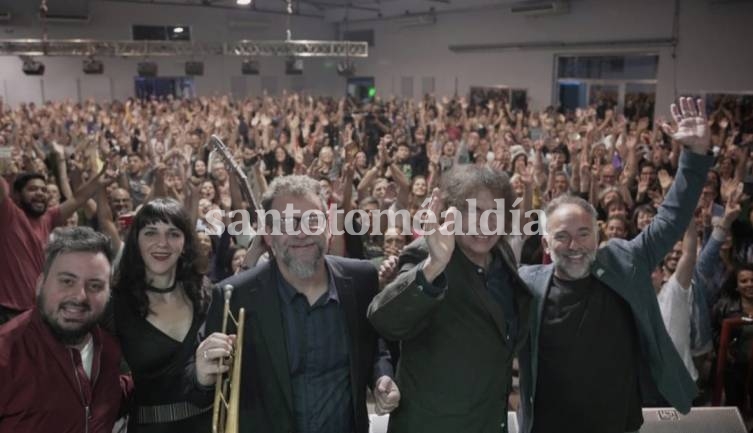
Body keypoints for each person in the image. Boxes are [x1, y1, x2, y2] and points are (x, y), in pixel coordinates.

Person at [517, 97, 713, 433]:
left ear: (599, 234)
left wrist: (694, 158)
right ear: (545, 244)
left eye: (583, 234)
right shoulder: (526, 282)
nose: (574, 246)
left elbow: (670, 219)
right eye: (562, 237)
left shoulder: (624, 261)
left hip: (616, 423)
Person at [186, 175, 399, 433]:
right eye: (287, 222)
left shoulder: (361, 279)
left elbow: (374, 348)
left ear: (328, 227)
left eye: (312, 220)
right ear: (267, 233)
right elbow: (199, 391)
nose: (301, 232)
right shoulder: (234, 295)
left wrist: (381, 376)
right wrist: (202, 376)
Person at [367, 165, 532, 433]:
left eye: (496, 213)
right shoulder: (427, 252)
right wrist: (433, 266)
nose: (486, 224)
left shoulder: (502, 254)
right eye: (474, 211)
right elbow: (384, 320)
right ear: (451, 212)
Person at [0, 226, 132, 432]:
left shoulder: (109, 348)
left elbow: (113, 395)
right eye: (67, 281)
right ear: (40, 284)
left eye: (95, 285)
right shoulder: (6, 354)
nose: (79, 296)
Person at [112, 198, 211, 433]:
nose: (162, 243)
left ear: (186, 242)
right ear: (136, 241)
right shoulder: (115, 304)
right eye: (151, 233)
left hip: (210, 424)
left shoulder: (206, 292)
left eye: (173, 233)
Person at [0, 166, 115, 325]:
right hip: (9, 313)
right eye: (32, 189)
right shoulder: (8, 214)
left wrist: (97, 183)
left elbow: (76, 199)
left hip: (39, 312)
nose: (40, 193)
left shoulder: (48, 218)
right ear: (17, 195)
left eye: (43, 189)